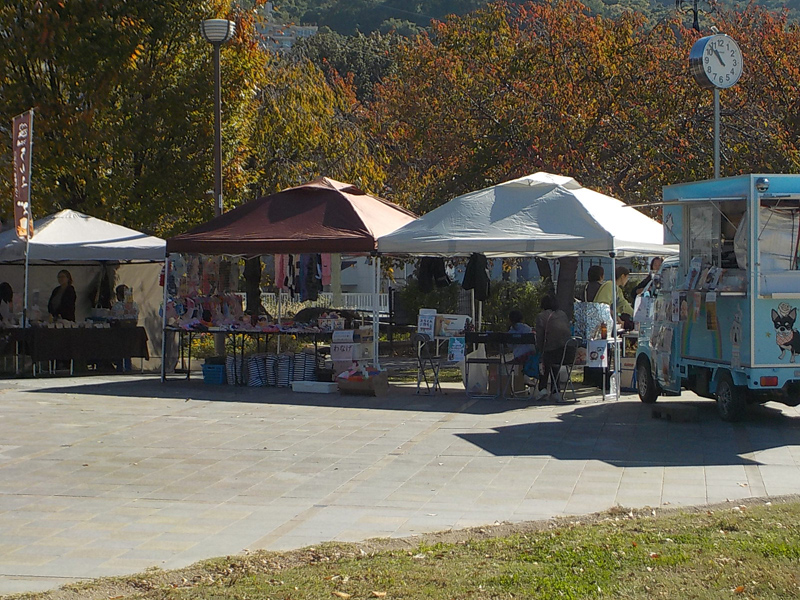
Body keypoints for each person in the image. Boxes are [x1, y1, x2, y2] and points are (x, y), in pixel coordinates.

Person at [534, 294, 572, 402]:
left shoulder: (541, 316)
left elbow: (540, 336)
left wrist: (539, 349)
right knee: (555, 363)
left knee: (544, 360)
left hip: (551, 351)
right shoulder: (563, 315)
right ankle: (556, 390)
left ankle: (543, 389)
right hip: (566, 351)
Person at [594, 265, 634, 329]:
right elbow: (603, 306)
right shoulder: (609, 285)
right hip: (600, 323)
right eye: (627, 278)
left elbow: (624, 305)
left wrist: (636, 315)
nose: (627, 280)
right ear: (623, 276)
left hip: (609, 322)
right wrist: (619, 320)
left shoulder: (618, 290)